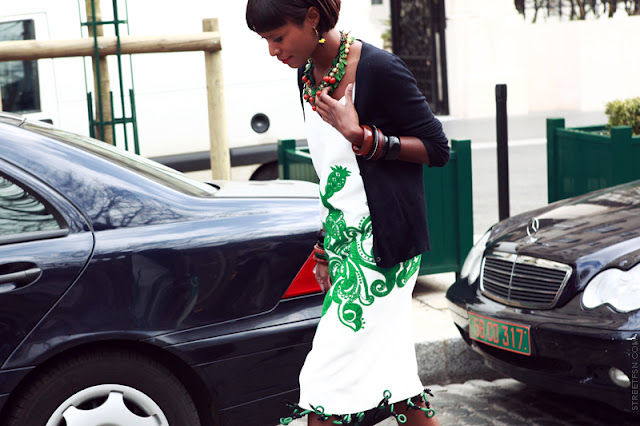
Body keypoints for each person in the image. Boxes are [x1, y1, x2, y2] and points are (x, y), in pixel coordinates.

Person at [246, 1, 450, 425]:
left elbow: (437, 148)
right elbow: (334, 176)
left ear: (313, 19)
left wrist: (362, 136)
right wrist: (324, 246)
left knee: (326, 382)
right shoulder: (306, 74)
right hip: (344, 242)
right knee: (398, 379)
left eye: (278, 37)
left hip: (382, 246)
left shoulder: (379, 68)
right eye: (266, 41)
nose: (272, 51)